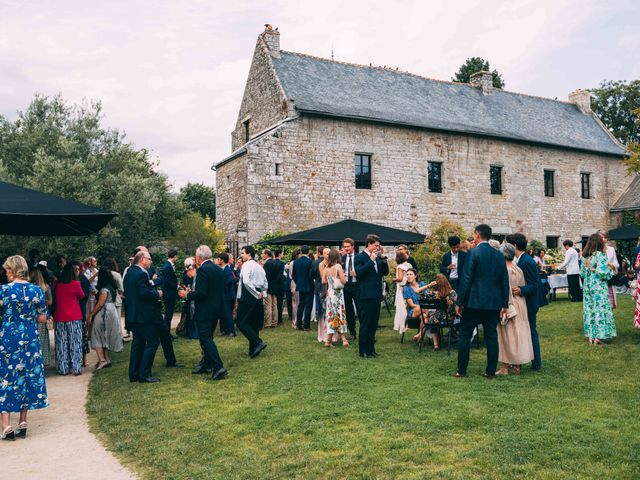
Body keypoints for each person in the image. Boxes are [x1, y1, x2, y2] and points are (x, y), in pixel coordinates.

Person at [0, 255, 48, 441]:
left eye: (6, 269)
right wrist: (27, 318)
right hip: (30, 338)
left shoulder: (3, 291)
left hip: (9, 339)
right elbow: (43, 317)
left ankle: (6, 425)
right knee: (27, 375)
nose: (5, 273)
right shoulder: (36, 291)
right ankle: (23, 421)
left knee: (6, 377)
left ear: (12, 270)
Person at [453, 224, 509, 378]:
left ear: (477, 235)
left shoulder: (473, 253)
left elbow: (466, 279)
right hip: (493, 303)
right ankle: (490, 371)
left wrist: (459, 303)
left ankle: (461, 370)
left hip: (473, 302)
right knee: (491, 336)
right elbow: (504, 280)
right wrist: (504, 304)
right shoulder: (498, 255)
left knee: (464, 335)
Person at [179, 245, 228, 380]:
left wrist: (187, 295)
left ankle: (218, 367)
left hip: (205, 310)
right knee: (207, 338)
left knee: (205, 339)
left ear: (199, 258)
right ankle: (207, 365)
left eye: (196, 257)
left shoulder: (202, 270)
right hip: (216, 309)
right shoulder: (218, 269)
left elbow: (202, 293)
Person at [125, 251, 168, 383]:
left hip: (133, 315)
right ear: (142, 259)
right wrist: (157, 293)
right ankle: (144, 374)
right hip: (144, 315)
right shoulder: (141, 273)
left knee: (138, 344)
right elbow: (143, 293)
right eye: (149, 259)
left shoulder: (129, 273)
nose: (151, 262)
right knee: (153, 342)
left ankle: (134, 373)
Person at [506, 233, 546, 372]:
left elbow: (534, 284)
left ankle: (536, 362)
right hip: (526, 302)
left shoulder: (526, 261)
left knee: (531, 332)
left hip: (529, 303)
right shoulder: (522, 259)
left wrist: (521, 290)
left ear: (514, 246)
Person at [496, 243, 534, 375]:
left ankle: (505, 367)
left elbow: (505, 290)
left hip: (509, 304)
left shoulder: (503, 270)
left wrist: (503, 306)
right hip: (520, 304)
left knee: (506, 335)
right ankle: (517, 365)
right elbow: (522, 286)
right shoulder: (518, 269)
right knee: (519, 334)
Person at [354, 234, 389, 358]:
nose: (377, 248)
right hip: (365, 295)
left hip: (376, 295)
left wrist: (384, 260)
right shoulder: (360, 257)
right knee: (365, 323)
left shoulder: (378, 257)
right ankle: (363, 350)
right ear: (369, 244)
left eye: (378, 246)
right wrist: (371, 260)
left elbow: (385, 272)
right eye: (376, 245)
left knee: (374, 324)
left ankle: (371, 349)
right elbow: (359, 272)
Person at [580, 234, 617, 344]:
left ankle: (591, 335)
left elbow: (582, 273)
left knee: (590, 310)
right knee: (600, 310)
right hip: (598, 287)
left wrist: (590, 269)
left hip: (587, 287)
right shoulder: (600, 255)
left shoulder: (584, 257)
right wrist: (610, 269)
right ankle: (599, 336)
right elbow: (604, 274)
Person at [87, 268, 124, 370]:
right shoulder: (112, 287)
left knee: (96, 334)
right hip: (111, 310)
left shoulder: (104, 289)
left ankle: (102, 360)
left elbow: (100, 304)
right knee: (105, 335)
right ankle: (106, 358)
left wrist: (91, 315)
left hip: (104, 312)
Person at [235, 245, 269, 358]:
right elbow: (265, 283)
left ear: (249, 253)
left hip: (249, 295)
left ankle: (258, 342)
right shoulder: (260, 267)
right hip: (257, 294)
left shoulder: (246, 265)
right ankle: (253, 349)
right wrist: (261, 294)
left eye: (243, 253)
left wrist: (255, 293)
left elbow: (246, 282)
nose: (241, 255)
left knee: (241, 322)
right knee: (253, 322)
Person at [53, 263, 86, 376]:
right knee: (75, 342)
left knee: (62, 343)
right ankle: (76, 367)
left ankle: (63, 368)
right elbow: (82, 296)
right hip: (74, 316)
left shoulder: (58, 285)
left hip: (60, 316)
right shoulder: (76, 284)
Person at [416, 274, 457, 350]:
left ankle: (431, 342)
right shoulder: (452, 292)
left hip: (434, 320)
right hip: (449, 320)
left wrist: (429, 285)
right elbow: (455, 306)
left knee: (429, 318)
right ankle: (431, 342)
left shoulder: (435, 294)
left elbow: (417, 291)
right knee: (432, 317)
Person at [322, 248, 349, 347]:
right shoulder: (338, 266)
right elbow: (344, 281)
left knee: (332, 315)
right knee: (339, 314)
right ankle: (343, 339)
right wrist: (341, 277)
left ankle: (329, 340)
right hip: (337, 294)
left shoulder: (326, 268)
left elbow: (323, 281)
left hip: (330, 293)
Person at [29, 268, 52, 367]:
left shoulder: (29, 289)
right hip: (42, 315)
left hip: (34, 316)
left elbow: (50, 301)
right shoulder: (45, 287)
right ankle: (43, 361)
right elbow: (50, 301)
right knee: (42, 340)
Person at [102, 258, 126, 338]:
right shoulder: (116, 274)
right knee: (116, 320)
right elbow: (121, 288)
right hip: (115, 299)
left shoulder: (102, 273)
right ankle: (117, 337)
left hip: (104, 298)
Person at [214, 252, 237, 336]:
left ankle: (232, 331)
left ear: (222, 260)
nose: (217, 260)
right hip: (223, 295)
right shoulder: (221, 269)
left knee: (228, 313)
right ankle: (224, 330)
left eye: (218, 259)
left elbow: (229, 281)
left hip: (228, 295)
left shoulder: (227, 269)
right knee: (222, 313)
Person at [341, 238, 359, 340]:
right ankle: (352, 332)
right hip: (346, 286)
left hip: (357, 286)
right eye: (345, 247)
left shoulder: (359, 257)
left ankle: (364, 332)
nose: (346, 248)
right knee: (348, 310)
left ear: (352, 246)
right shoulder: (342, 258)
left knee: (360, 309)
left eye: (348, 246)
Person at [293, 245, 314, 331]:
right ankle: (306, 325)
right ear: (308, 252)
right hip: (309, 285)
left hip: (300, 285)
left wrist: (298, 282)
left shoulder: (296, 262)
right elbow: (312, 274)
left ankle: (298, 324)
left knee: (301, 305)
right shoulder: (310, 262)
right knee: (308, 306)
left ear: (301, 252)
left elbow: (293, 275)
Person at [263, 249, 285, 329]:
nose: (262, 255)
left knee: (268, 305)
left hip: (268, 286)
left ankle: (268, 323)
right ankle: (275, 321)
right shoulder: (275, 263)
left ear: (266, 255)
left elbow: (266, 277)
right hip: (275, 286)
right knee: (274, 305)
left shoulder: (267, 264)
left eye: (263, 254)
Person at [160, 248, 179, 337]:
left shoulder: (168, 265)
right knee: (168, 315)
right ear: (174, 256)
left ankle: (167, 333)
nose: (177, 258)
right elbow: (166, 281)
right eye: (176, 257)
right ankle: (166, 334)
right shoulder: (168, 266)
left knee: (169, 315)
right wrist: (176, 286)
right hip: (169, 294)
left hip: (169, 293)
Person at [599, 230, 619, 309]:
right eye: (602, 237)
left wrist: (612, 266)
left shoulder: (611, 249)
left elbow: (616, 263)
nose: (604, 239)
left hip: (610, 277)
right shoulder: (595, 250)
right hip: (599, 279)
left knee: (610, 303)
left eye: (605, 237)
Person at [392, 251, 411, 333]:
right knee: (405, 306)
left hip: (401, 288)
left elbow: (400, 278)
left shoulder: (400, 266)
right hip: (407, 286)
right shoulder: (407, 266)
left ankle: (401, 325)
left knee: (401, 308)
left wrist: (393, 280)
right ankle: (405, 325)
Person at [310, 246, 327, 325]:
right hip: (326, 285)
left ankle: (319, 320)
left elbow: (311, 275)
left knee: (318, 305)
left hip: (317, 285)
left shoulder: (314, 262)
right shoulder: (328, 262)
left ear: (319, 253)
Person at [285, 249, 300, 326]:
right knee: (293, 301)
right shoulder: (293, 263)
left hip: (293, 281)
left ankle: (294, 316)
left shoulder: (293, 263)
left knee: (295, 301)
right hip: (293, 282)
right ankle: (293, 317)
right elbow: (292, 274)